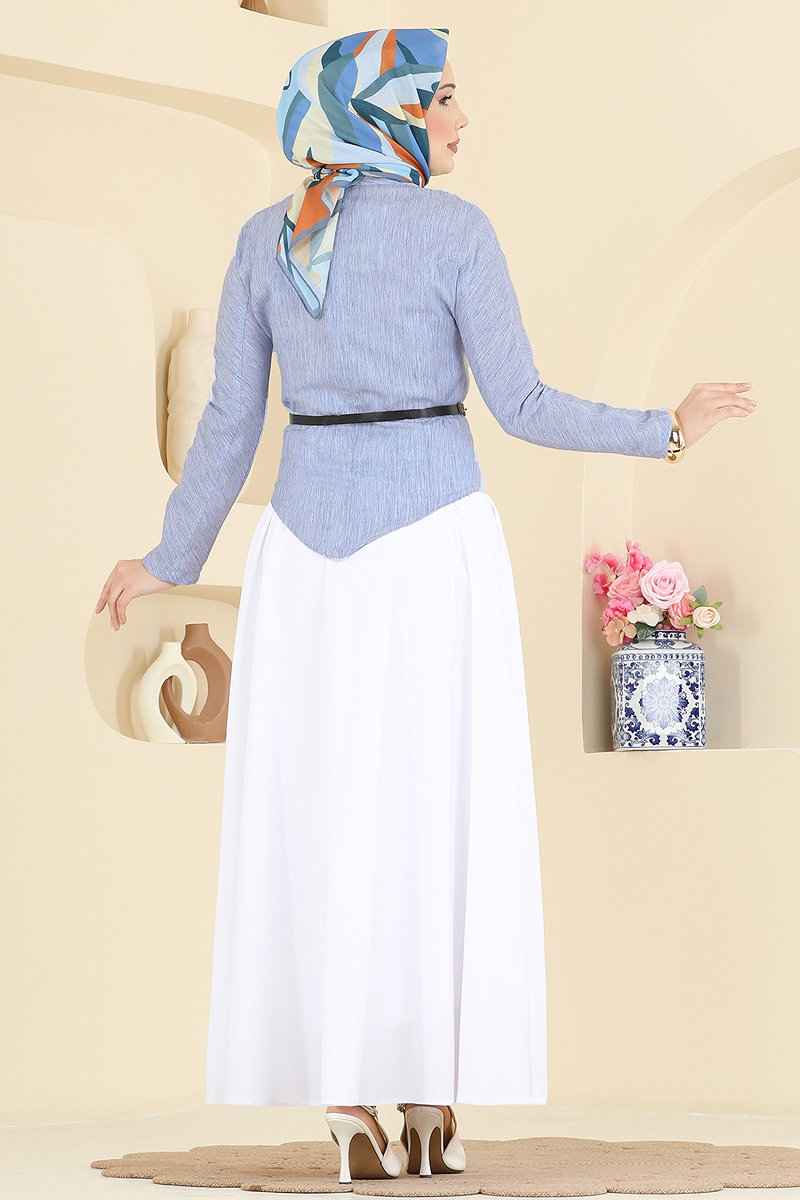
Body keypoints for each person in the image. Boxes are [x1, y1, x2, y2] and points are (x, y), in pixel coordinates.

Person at [93, 25, 757, 1186]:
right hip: (432, 544)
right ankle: (426, 1096)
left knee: (326, 809)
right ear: (384, 111)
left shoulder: (264, 241)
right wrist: (664, 431)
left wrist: (167, 556)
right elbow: (523, 404)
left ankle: (349, 1094)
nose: (459, 117)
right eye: (439, 96)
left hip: (302, 556)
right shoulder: (456, 232)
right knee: (432, 808)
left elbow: (231, 426)